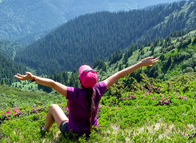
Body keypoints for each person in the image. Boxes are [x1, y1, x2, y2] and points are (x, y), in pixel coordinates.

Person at [14, 57, 158, 137]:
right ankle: (46, 131)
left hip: (73, 132)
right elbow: (119, 74)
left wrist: (33, 78)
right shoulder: (99, 89)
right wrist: (140, 64)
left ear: (80, 81)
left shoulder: (73, 93)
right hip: (91, 131)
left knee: (53, 107)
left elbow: (52, 83)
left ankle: (44, 131)